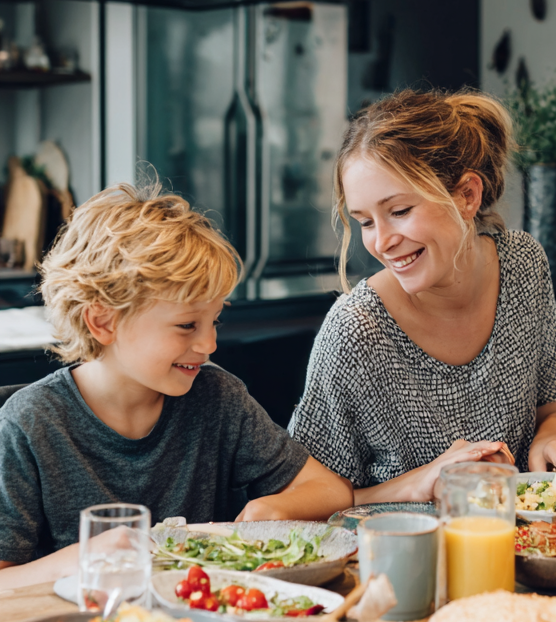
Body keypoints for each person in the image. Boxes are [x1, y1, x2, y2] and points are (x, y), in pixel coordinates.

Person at [0, 185, 354, 591]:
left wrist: (270, 508)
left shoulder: (218, 398)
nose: (209, 344)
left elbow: (330, 489)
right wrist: (84, 557)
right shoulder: (30, 423)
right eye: (187, 325)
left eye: (214, 321)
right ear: (103, 322)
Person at [289, 89, 556, 503]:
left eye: (399, 211)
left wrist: (550, 441)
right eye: (364, 222)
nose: (381, 242)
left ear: (467, 195)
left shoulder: (523, 265)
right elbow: (305, 500)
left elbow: (548, 409)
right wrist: (422, 481)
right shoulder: (355, 331)